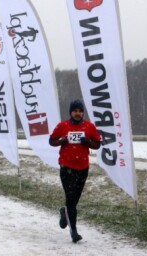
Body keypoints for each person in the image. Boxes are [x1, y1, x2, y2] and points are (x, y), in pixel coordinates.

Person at [49, 100, 101, 243]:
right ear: (70, 112)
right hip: (67, 167)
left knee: (74, 199)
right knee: (71, 199)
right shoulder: (62, 126)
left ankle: (64, 212)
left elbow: (97, 144)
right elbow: (51, 141)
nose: (78, 113)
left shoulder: (89, 127)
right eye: (75, 111)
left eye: (80, 111)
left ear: (82, 112)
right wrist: (61, 142)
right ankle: (74, 232)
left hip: (83, 168)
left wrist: (88, 143)